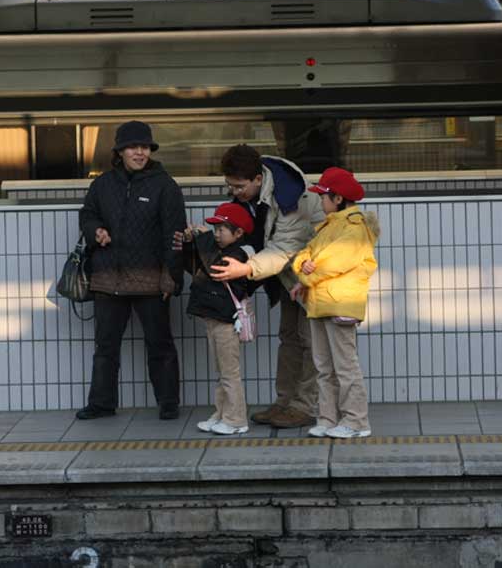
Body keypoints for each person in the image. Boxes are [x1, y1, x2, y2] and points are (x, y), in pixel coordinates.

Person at [76, 121, 187, 421]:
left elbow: (174, 237)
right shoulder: (102, 184)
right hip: (107, 278)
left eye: (145, 147)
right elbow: (87, 214)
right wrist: (95, 230)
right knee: (105, 347)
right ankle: (101, 403)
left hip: (151, 280)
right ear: (120, 151)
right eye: (133, 147)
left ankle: (168, 403)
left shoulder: (165, 186)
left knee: (160, 345)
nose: (140, 152)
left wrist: (171, 278)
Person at [210, 144, 325, 429]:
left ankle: (304, 406)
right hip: (288, 275)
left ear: (258, 180)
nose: (234, 192)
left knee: (310, 342)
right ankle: (284, 402)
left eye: (239, 186)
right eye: (229, 186)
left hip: (314, 273)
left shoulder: (291, 196)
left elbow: (282, 248)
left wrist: (247, 268)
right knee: (289, 337)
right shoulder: (252, 195)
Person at [291, 167, 379, 439]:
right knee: (324, 367)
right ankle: (328, 418)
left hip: (339, 304)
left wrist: (305, 274)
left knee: (344, 367)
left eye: (324, 196)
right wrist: (302, 268)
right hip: (320, 303)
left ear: (338, 198)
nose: (320, 201)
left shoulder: (355, 227)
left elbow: (332, 261)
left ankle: (356, 421)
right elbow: (303, 255)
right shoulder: (329, 226)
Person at [175, 202, 254, 436]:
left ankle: (236, 419)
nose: (216, 234)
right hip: (213, 317)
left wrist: (203, 238)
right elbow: (196, 265)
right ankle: (221, 413)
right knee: (221, 372)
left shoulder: (239, 254)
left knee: (230, 373)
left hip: (226, 321)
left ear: (238, 233)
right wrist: (190, 242)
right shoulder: (218, 249)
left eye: (221, 229)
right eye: (215, 229)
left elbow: (213, 268)